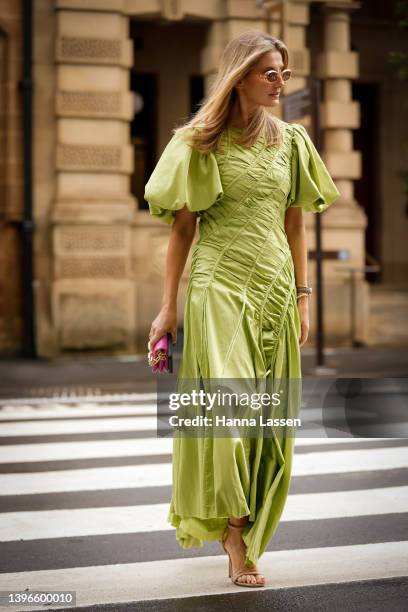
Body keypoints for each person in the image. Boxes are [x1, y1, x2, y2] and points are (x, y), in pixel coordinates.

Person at [145, 30, 340, 588]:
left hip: (275, 288)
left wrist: (302, 296)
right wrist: (168, 309)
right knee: (228, 417)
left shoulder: (293, 142)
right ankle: (235, 535)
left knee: (265, 424)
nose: (280, 83)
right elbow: (183, 229)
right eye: (269, 73)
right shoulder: (198, 141)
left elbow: (296, 222)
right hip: (218, 287)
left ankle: (250, 528)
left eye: (284, 72)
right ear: (241, 77)